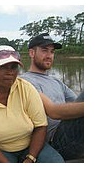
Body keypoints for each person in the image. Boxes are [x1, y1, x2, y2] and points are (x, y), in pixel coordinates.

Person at [0, 45, 64, 163]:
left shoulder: (27, 89)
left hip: (30, 146)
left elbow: (41, 126)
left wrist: (30, 158)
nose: (10, 72)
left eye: (14, 67)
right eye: (3, 67)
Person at [21, 33, 84, 161]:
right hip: (55, 140)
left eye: (52, 52)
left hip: (70, 131)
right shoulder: (25, 82)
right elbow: (53, 112)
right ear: (32, 53)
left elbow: (77, 102)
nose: (49, 55)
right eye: (44, 51)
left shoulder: (56, 81)